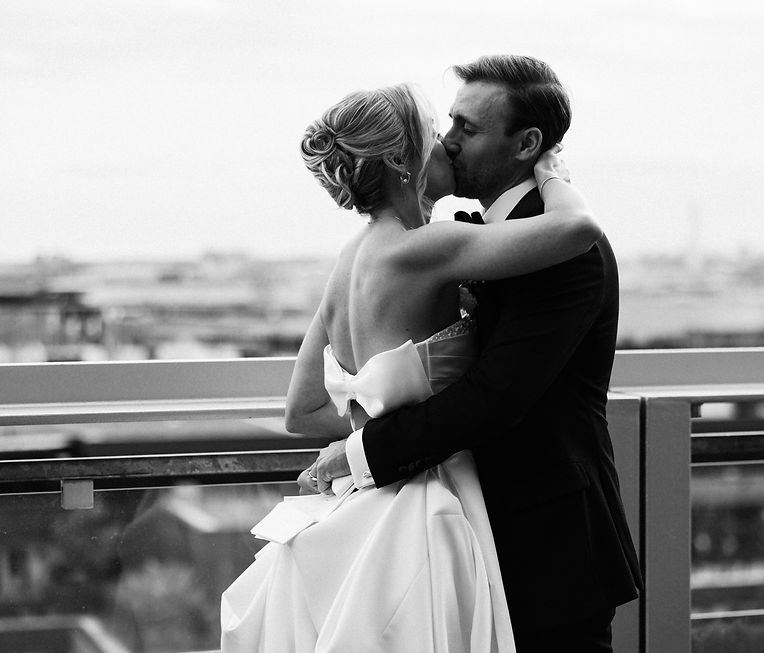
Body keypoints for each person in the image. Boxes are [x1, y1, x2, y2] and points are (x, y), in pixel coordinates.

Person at [220, 78, 603, 652]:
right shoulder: (429, 248)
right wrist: (553, 176)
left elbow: (302, 410)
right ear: (401, 159)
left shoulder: (348, 260)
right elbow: (579, 231)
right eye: (433, 131)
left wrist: (373, 432)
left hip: (362, 508)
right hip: (427, 509)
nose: (446, 143)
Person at [306, 55, 642, 652]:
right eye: (446, 125)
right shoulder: (466, 242)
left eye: (468, 128)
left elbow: (495, 398)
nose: (450, 143)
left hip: (547, 547)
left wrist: (360, 452)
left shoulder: (559, 250)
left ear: (527, 144)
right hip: (457, 533)